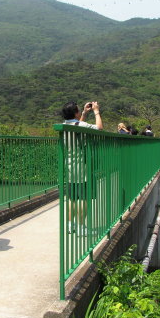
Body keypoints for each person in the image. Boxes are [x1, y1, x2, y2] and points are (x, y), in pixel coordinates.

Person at [61, 101, 102, 235]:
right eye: (78, 110)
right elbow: (99, 128)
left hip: (69, 166)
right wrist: (96, 111)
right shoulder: (81, 125)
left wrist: (84, 113)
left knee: (72, 197)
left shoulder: (64, 126)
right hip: (82, 167)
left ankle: (70, 225)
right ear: (75, 113)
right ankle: (80, 227)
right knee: (85, 197)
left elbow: (78, 126)